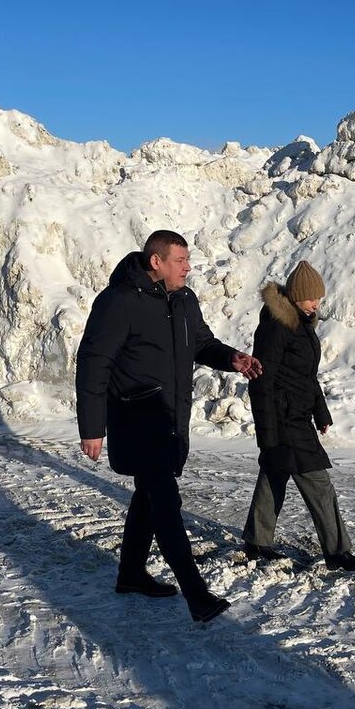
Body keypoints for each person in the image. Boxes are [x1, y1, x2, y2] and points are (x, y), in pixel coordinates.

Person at [76, 230, 262, 623]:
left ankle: (130, 575)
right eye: (181, 261)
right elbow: (94, 363)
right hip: (135, 418)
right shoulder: (119, 301)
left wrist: (233, 359)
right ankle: (196, 595)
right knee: (166, 503)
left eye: (188, 260)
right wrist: (92, 427)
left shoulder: (184, 300)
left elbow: (201, 343)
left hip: (169, 417)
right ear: (156, 261)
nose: (188, 268)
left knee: (148, 498)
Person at [243, 261, 355, 571]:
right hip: (284, 420)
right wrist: (268, 433)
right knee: (319, 483)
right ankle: (337, 552)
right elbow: (262, 380)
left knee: (275, 473)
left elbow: (306, 376)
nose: (317, 304)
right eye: (312, 298)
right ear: (296, 295)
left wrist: (320, 412)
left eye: (320, 299)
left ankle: (257, 541)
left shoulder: (303, 325)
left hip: (297, 416)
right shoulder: (278, 327)